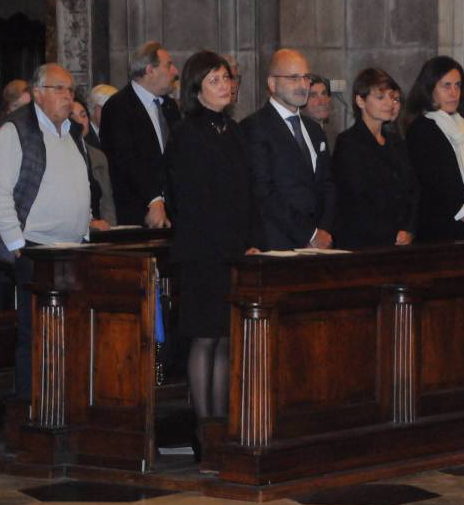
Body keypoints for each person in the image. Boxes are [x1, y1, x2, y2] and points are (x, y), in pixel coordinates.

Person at [164, 50, 261, 454]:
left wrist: (252, 239)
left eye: (227, 78)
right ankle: (204, 427)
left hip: (234, 252)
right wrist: (227, 245)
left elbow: (248, 193)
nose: (226, 86)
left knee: (225, 337)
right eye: (216, 80)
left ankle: (222, 422)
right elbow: (193, 201)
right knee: (204, 338)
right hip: (202, 253)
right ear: (196, 89)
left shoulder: (233, 130)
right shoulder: (188, 133)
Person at [0, 63, 94, 399]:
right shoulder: (15, 132)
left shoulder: (72, 133)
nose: (67, 96)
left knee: (69, 332)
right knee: (36, 334)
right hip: (35, 249)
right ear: (37, 94)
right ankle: (31, 408)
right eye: (59, 89)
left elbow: (81, 186)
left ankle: (64, 403)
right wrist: (18, 244)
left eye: (70, 90)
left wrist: (84, 229)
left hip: (70, 249)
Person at [242, 48, 336, 250]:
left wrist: (324, 230)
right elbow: (264, 192)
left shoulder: (314, 129)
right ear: (272, 83)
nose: (303, 85)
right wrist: (309, 234)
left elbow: (327, 184)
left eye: (306, 78)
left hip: (319, 244)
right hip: (277, 243)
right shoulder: (255, 127)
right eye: (294, 78)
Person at [406, 56, 464, 242]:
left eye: (458, 85)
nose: (454, 93)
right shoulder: (421, 128)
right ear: (430, 89)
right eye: (446, 86)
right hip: (439, 227)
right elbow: (431, 182)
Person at [331, 68, 419, 249]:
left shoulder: (396, 142)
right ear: (360, 101)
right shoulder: (349, 142)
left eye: (391, 96)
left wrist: (408, 229)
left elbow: (413, 189)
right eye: (380, 97)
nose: (389, 103)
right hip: (364, 242)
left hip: (399, 240)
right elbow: (355, 199)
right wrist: (390, 232)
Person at [100, 41, 181, 227]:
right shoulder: (118, 107)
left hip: (173, 212)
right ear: (150, 70)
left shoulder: (170, 107)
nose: (175, 71)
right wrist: (153, 199)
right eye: (168, 65)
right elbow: (125, 160)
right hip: (138, 212)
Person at [70, 97, 116, 227]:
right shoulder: (57, 153)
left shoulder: (98, 156)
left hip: (100, 230)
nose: (79, 121)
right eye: (72, 116)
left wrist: (111, 230)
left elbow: (107, 200)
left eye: (83, 116)